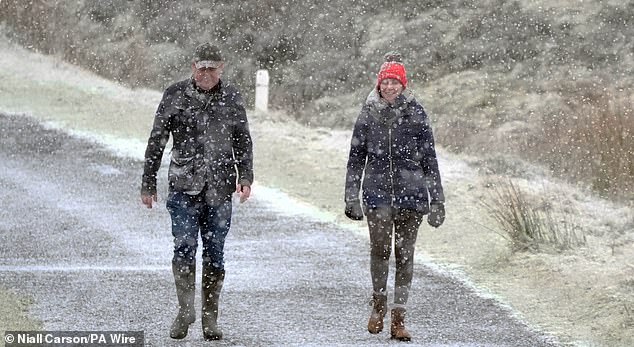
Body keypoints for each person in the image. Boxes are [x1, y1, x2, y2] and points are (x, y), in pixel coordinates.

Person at [141, 42, 253, 341]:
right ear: (193, 67)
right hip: (183, 186)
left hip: (219, 188)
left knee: (215, 253)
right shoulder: (175, 94)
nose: (205, 73)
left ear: (221, 68)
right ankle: (185, 309)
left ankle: (209, 316)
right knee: (184, 246)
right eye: (201, 68)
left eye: (211, 69)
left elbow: (242, 140)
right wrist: (148, 182)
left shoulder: (232, 97)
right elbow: (157, 140)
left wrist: (246, 177)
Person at [344, 52, 445, 341]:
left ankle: (398, 318)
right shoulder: (367, 113)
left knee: (405, 255)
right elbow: (355, 158)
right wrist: (351, 195)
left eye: (394, 82)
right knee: (380, 252)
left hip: (411, 196)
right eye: (385, 82)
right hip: (376, 195)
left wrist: (437, 199)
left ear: (403, 84)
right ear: (379, 84)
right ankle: (378, 305)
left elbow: (430, 159)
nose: (389, 87)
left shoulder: (417, 112)